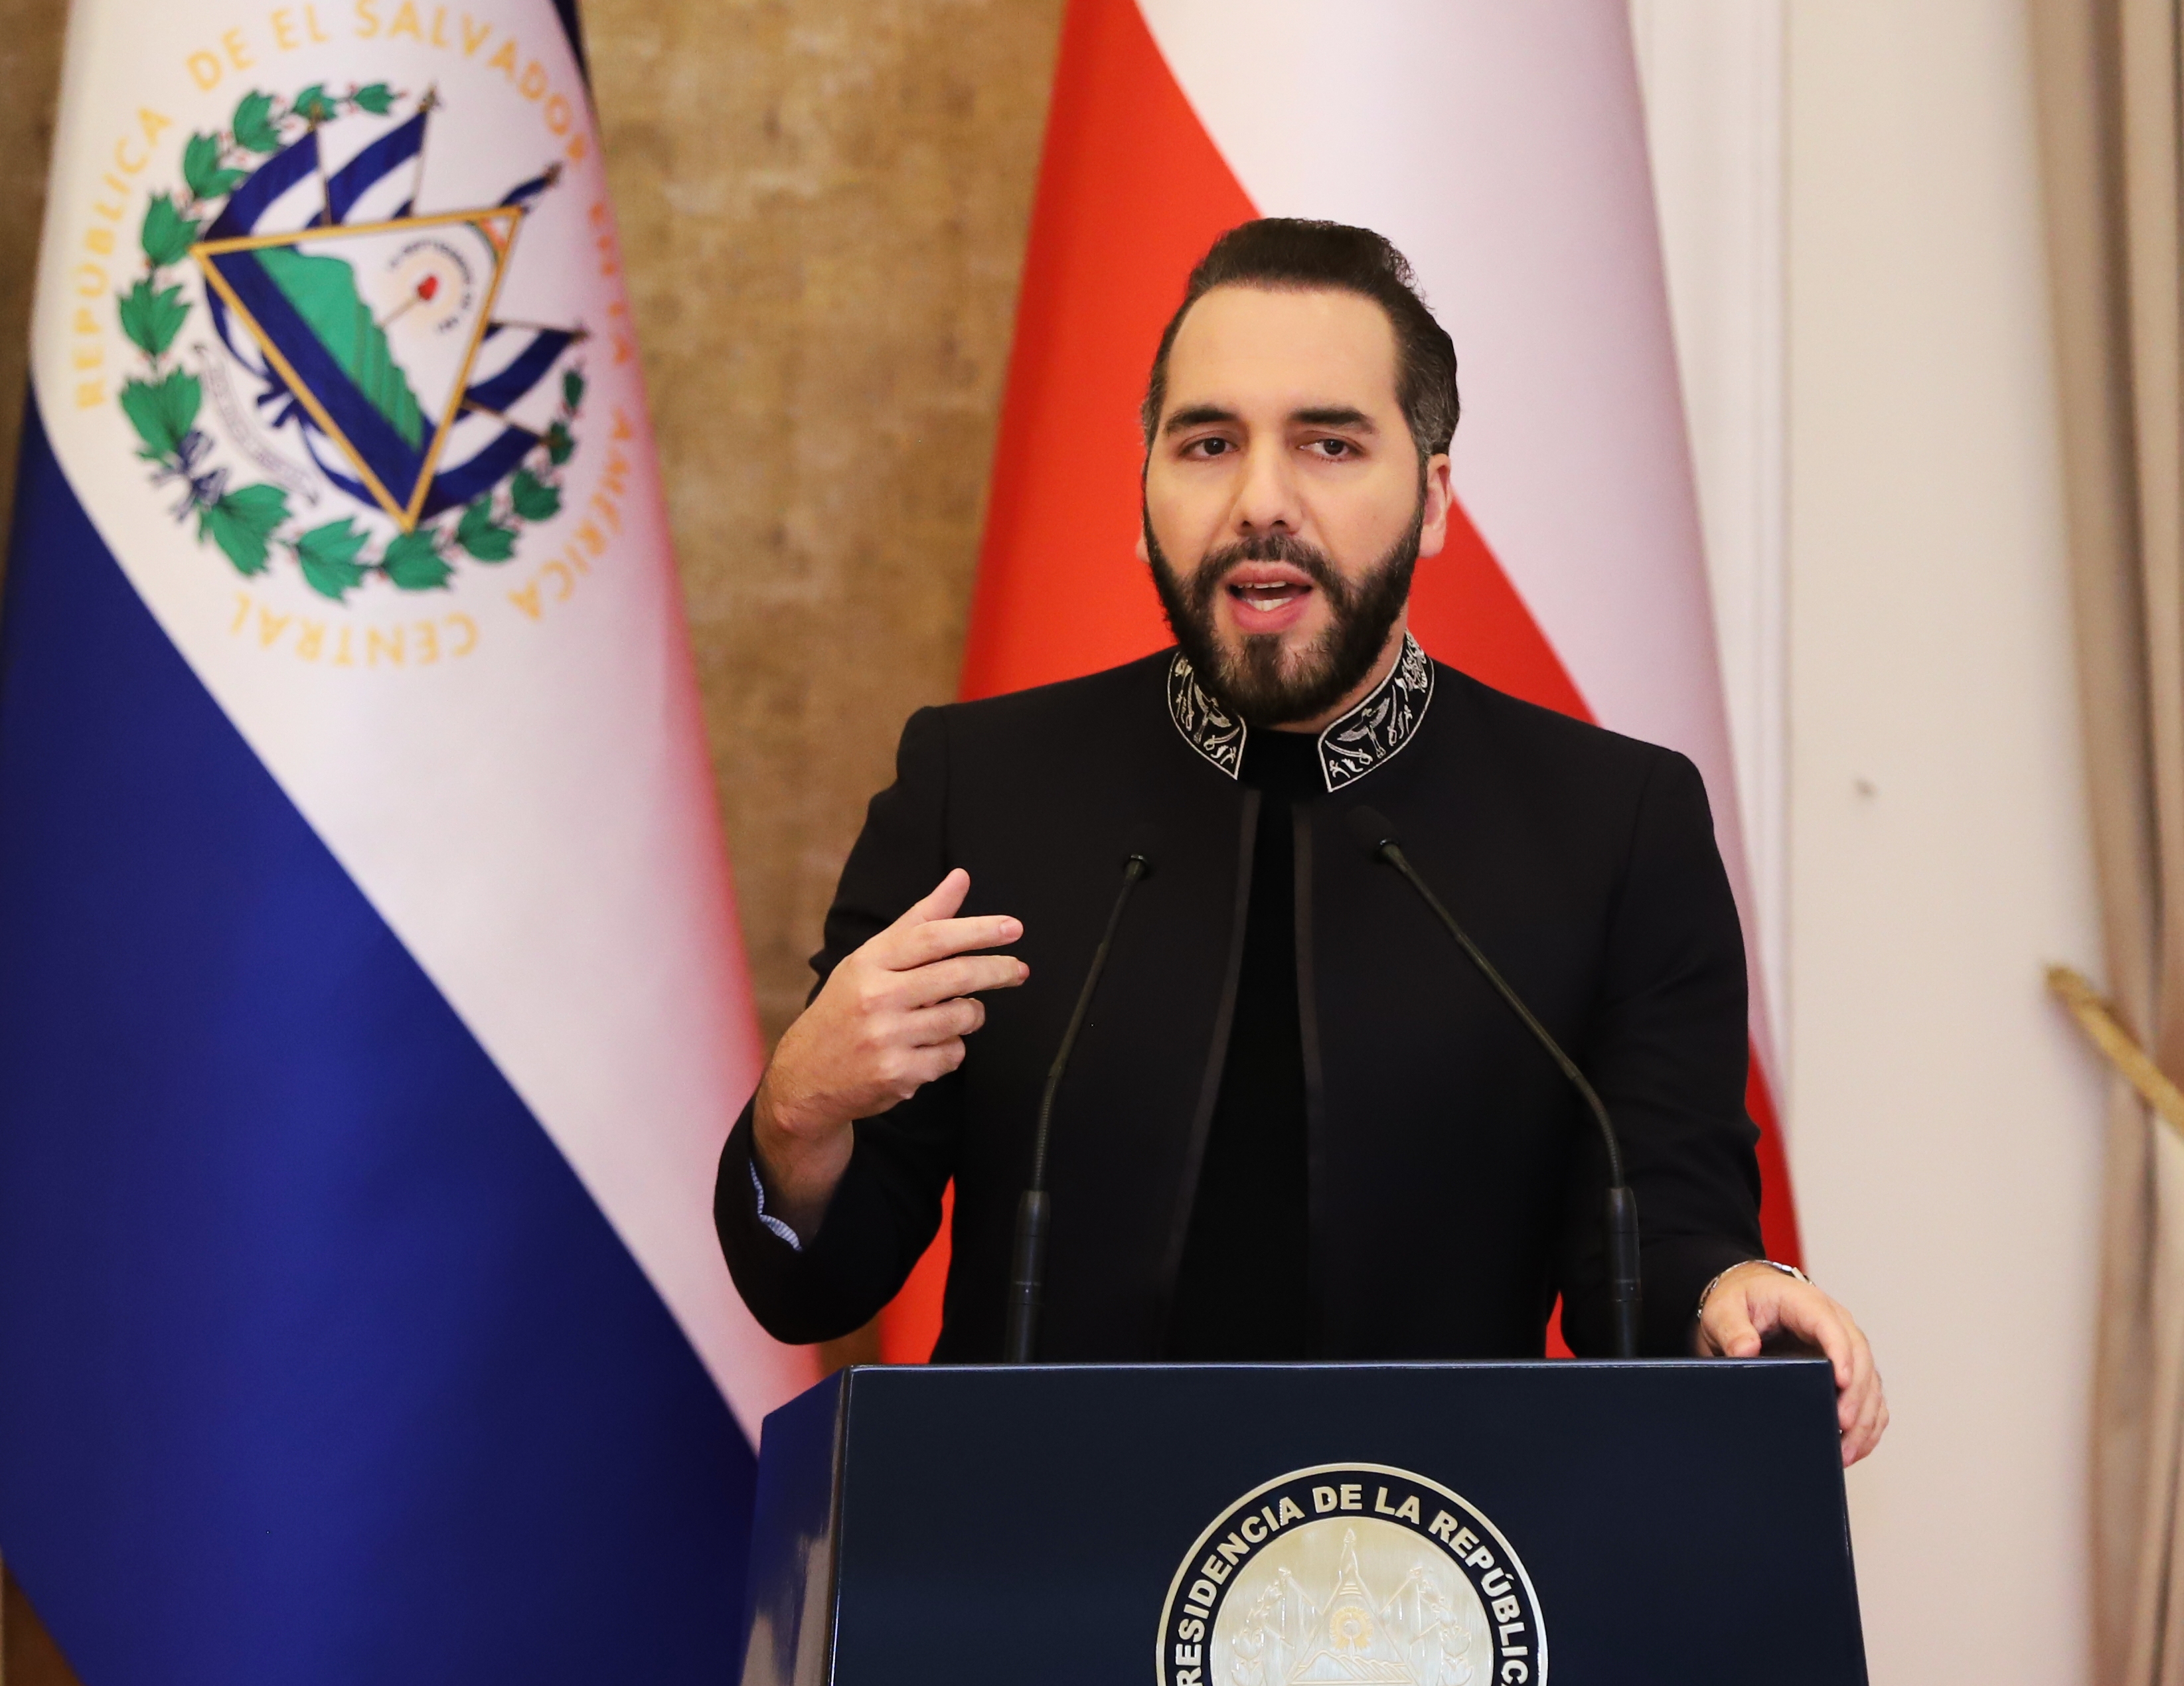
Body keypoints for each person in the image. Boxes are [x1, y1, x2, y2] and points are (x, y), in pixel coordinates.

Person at [714, 218, 1885, 1464]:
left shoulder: (1611, 825)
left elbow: (1660, 1221)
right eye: (1208, 443)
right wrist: (798, 1115)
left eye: (1329, 444)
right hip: (1043, 1576)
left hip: (1438, 1580)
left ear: (1433, 499)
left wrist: (1726, 1298)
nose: (1260, 501)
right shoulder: (980, 790)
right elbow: (819, 1284)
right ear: (1146, 488)